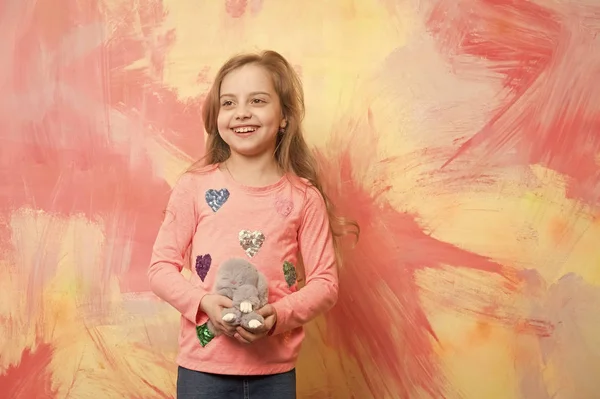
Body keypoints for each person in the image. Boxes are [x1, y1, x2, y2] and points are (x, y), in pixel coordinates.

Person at [147, 50, 359, 399]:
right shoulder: (195, 187)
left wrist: (277, 314)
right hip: (202, 370)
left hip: (273, 374)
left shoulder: (304, 198)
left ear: (285, 117)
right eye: (228, 103)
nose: (242, 112)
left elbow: (325, 283)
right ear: (217, 116)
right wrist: (204, 304)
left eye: (257, 100)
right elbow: (159, 269)